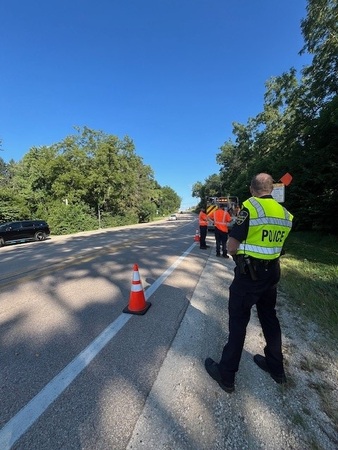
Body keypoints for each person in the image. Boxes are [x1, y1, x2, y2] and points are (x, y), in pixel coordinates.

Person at [205, 173, 293, 393]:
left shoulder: (250, 208)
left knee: (238, 322)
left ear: (252, 189)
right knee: (270, 319)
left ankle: (226, 375)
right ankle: (276, 368)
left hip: (249, 276)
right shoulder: (285, 213)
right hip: (272, 273)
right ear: (272, 189)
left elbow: (232, 246)